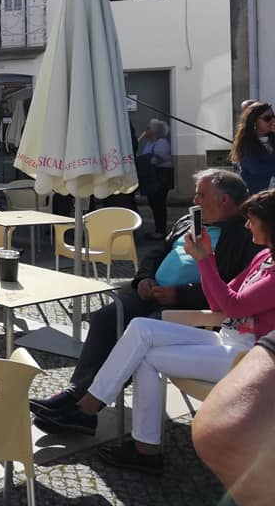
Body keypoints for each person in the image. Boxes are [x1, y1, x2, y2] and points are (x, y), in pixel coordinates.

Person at [38, 188, 275, 475]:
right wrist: (207, 259)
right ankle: (133, 440)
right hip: (227, 339)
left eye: (252, 220)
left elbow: (233, 306)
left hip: (250, 357)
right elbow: (219, 302)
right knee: (141, 328)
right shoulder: (264, 257)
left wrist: (204, 260)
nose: (247, 225)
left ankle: (96, 414)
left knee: (145, 356)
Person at [192, 329, 275, 506]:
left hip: (240, 346)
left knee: (145, 339)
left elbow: (233, 311)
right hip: (226, 339)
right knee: (142, 332)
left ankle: (147, 447)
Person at [137, 118, 173, 238]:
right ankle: (158, 229)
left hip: (160, 177)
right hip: (152, 178)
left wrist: (147, 160)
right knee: (153, 203)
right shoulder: (150, 143)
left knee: (158, 204)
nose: (145, 130)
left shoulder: (161, 143)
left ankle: (161, 231)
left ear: (155, 131)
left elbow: (158, 159)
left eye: (148, 128)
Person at [229, 100, 275, 195]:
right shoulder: (245, 142)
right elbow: (257, 168)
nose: (272, 121)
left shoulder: (272, 138)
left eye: (273, 117)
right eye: (267, 118)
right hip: (254, 196)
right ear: (254, 121)